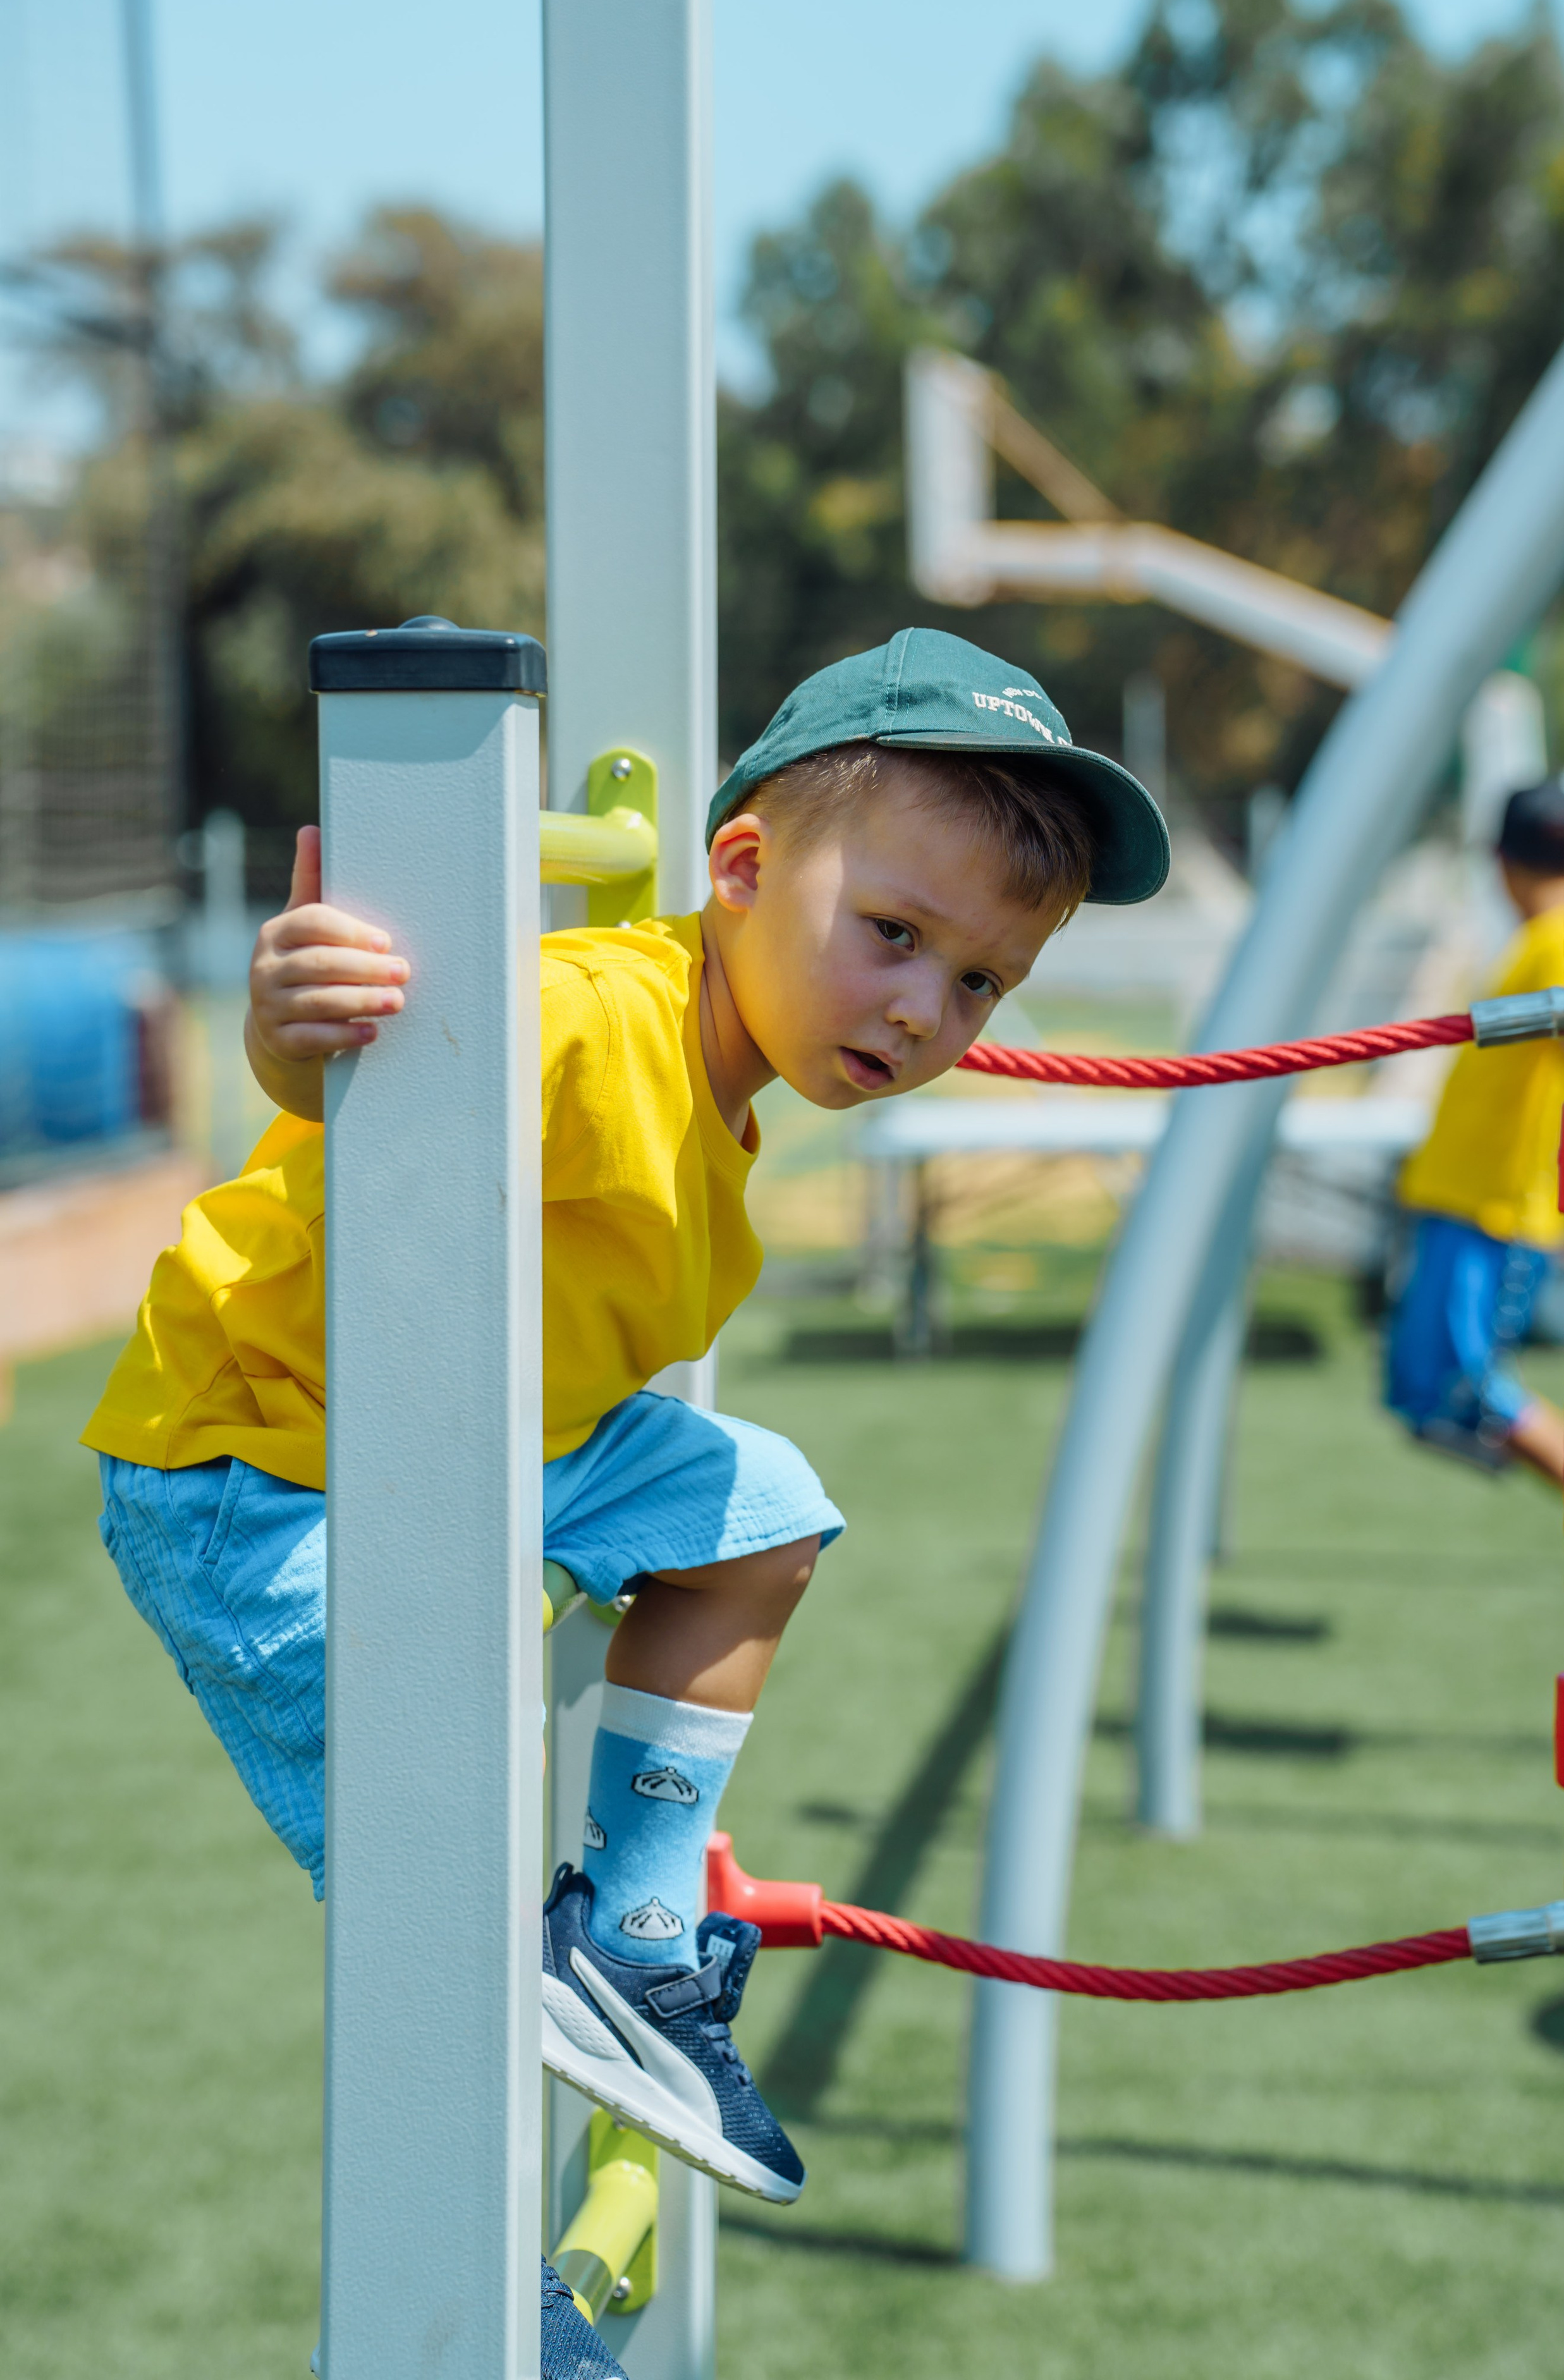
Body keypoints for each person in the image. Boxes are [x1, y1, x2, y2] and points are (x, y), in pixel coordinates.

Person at [82, 627, 1167, 2334]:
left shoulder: (726, 1087)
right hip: (260, 1468)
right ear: (740, 867)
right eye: (893, 935)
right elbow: (378, 1073)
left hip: (486, 1436)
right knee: (438, 1873)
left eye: (980, 985)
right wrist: (300, 1022)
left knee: (763, 1508)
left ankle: (635, 1939)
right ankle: (489, 2321)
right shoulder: (597, 1021)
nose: (925, 1008)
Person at [1387, 779, 1564, 1538]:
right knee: (1426, 1389)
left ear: (1498, 862)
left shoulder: (1561, 941)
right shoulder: (1542, 938)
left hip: (1498, 1209)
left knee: (1470, 1386)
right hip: (1468, 1201)